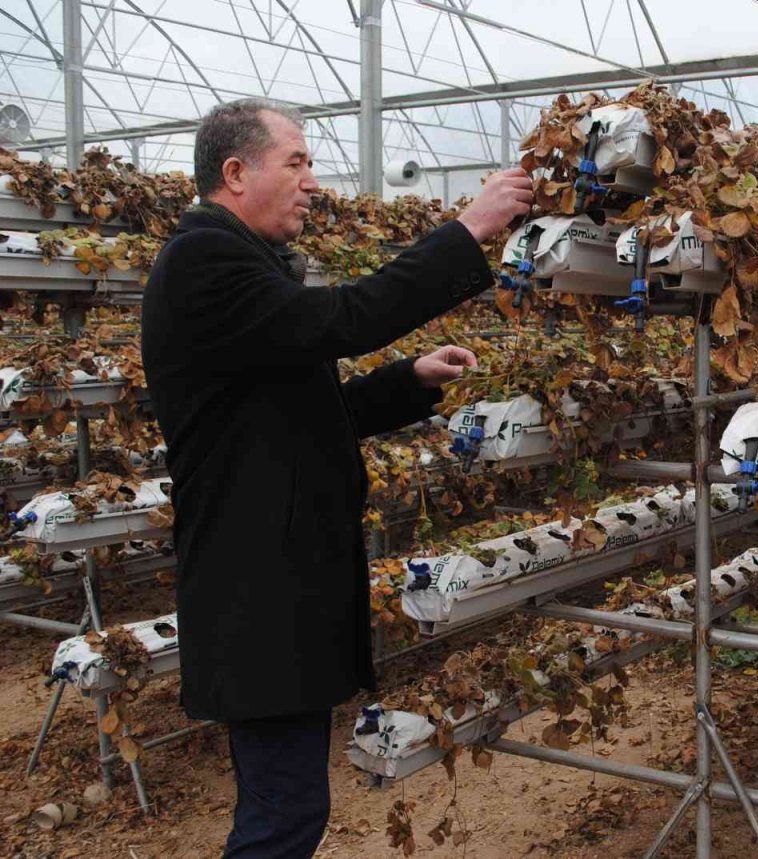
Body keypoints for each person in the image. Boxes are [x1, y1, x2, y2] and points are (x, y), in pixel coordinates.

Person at [140, 98, 531, 858]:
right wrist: (468, 229)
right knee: (284, 815)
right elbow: (342, 319)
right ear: (234, 172)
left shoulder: (241, 265)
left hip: (273, 590)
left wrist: (406, 381)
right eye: (297, 162)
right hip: (256, 591)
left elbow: (309, 410)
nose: (313, 181)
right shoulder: (203, 262)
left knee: (283, 806)